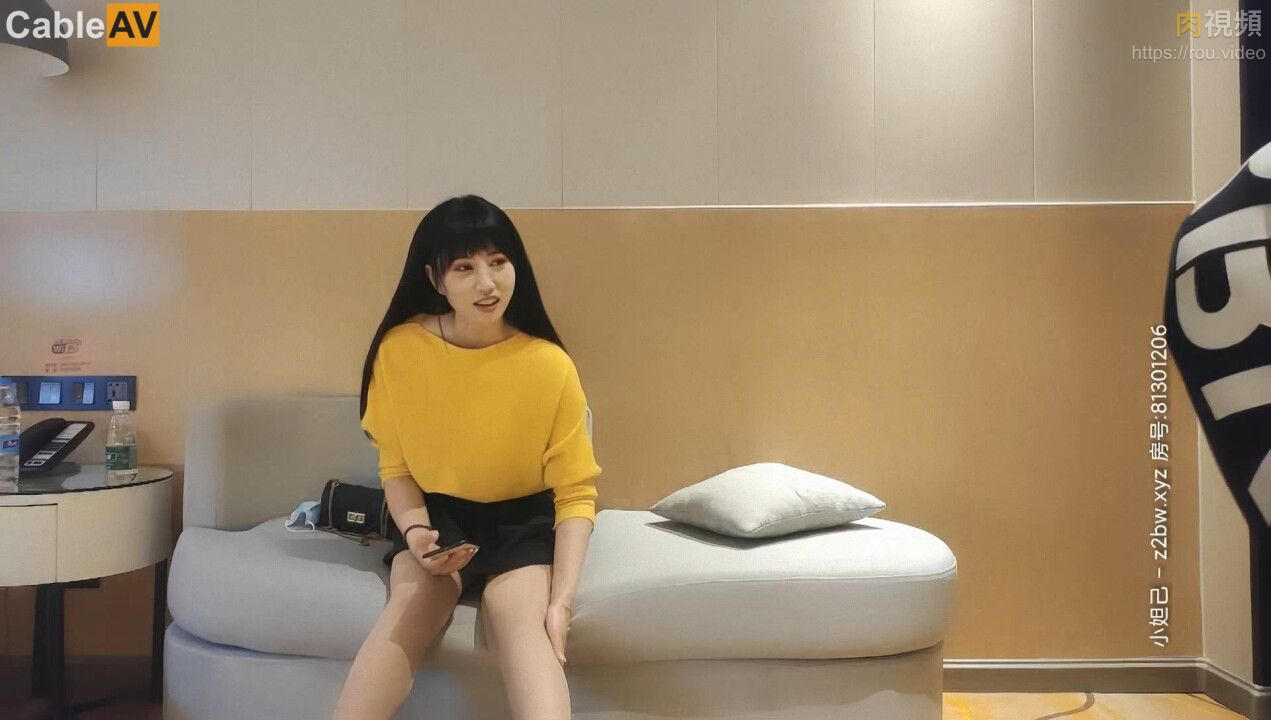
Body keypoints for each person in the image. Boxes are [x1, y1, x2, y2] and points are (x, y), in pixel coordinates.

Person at [333, 195, 601, 720]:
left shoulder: (549, 365)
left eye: (498, 262)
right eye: (464, 268)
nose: (487, 283)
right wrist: (416, 533)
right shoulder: (401, 350)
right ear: (435, 279)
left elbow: (575, 494)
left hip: (522, 520)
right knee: (411, 608)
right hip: (436, 515)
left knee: (522, 623)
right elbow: (397, 468)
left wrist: (561, 603)